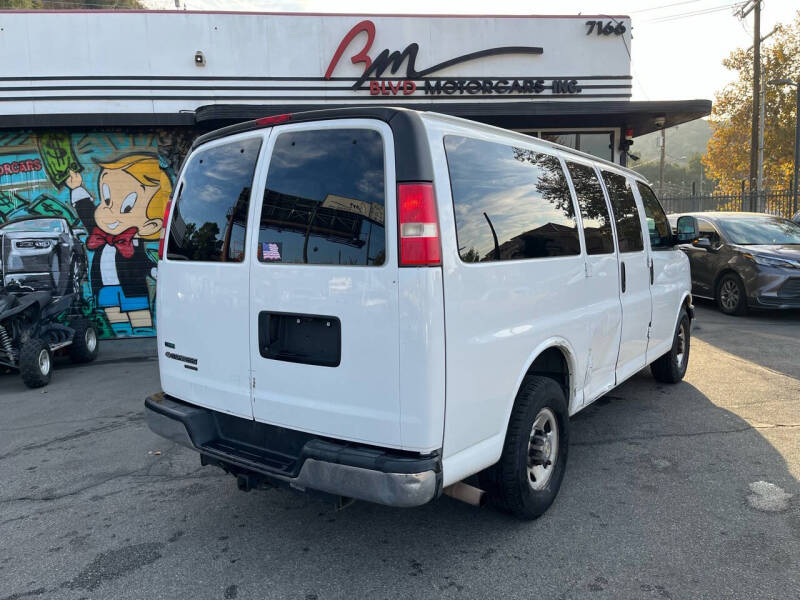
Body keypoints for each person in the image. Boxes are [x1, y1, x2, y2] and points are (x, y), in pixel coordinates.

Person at [66, 154, 171, 336]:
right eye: (106, 200)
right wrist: (77, 187)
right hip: (106, 290)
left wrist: (157, 272)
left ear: (150, 225)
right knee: (117, 323)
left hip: (134, 290)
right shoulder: (99, 234)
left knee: (141, 321)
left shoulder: (134, 244)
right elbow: (87, 213)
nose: (107, 209)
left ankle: (142, 333)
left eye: (127, 207)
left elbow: (144, 263)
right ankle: (121, 334)